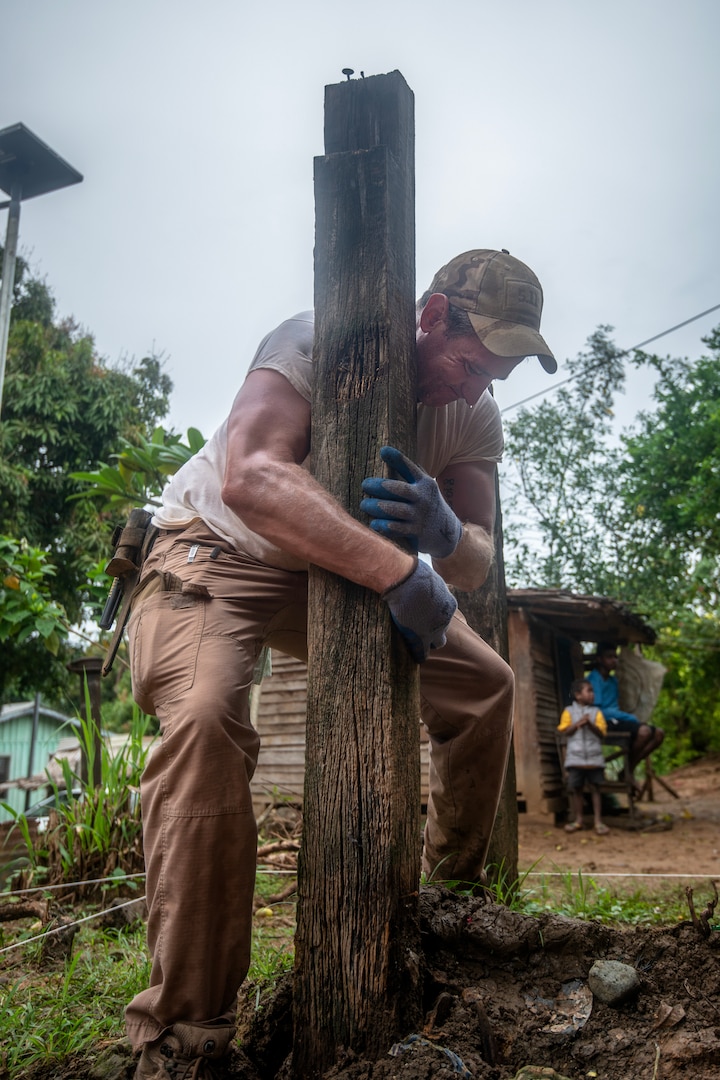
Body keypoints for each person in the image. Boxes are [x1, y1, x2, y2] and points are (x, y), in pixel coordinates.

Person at [124, 249, 557, 1079]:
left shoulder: (475, 414)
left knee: (486, 689)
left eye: (495, 375)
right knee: (207, 720)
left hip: (337, 569)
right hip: (218, 551)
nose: (476, 390)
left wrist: (442, 538)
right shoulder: (315, 342)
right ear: (432, 316)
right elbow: (253, 478)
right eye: (471, 364)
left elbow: (478, 560)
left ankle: (453, 912)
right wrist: (401, 572)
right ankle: (185, 1037)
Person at [587, 643, 664, 774]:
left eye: (615, 657)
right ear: (599, 659)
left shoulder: (613, 681)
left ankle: (628, 769)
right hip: (603, 722)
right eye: (609, 657)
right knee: (644, 732)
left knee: (658, 734)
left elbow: (615, 708)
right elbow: (597, 711)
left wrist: (627, 718)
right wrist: (630, 718)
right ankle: (628, 772)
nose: (614, 661)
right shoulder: (594, 679)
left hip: (617, 720)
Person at [558, 678, 610, 835]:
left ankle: (598, 821)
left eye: (592, 691)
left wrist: (590, 724)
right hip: (575, 759)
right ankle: (578, 820)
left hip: (594, 759)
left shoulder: (596, 713)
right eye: (589, 691)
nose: (592, 694)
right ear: (578, 695)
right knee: (577, 790)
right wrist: (578, 723)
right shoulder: (568, 711)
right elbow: (565, 730)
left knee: (596, 789)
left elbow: (602, 733)